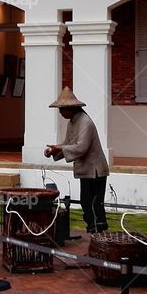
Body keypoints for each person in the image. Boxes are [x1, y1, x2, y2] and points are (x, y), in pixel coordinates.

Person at [45, 87, 110, 233]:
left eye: (62, 109)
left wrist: (59, 149)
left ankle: (98, 230)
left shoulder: (85, 122)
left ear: (71, 108)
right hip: (86, 170)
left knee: (94, 203)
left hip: (95, 171)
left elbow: (81, 147)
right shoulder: (73, 122)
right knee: (86, 202)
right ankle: (93, 229)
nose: (60, 113)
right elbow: (68, 143)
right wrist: (54, 150)